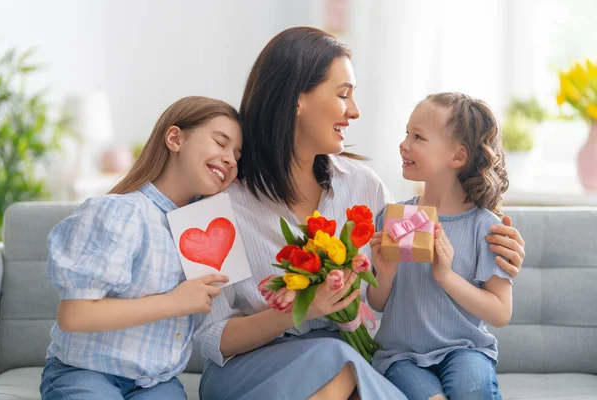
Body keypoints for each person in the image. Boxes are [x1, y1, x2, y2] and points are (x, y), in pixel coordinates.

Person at [196, 28, 525, 400]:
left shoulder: (363, 187)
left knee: (353, 365)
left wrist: (495, 233)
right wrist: (300, 309)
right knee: (341, 359)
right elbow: (212, 340)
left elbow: (408, 259)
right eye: (343, 95)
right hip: (249, 371)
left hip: (344, 366)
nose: (355, 111)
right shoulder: (214, 206)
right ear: (297, 100)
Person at [39, 96, 242, 400]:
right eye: (220, 142)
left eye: (238, 155)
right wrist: (176, 302)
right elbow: (75, 315)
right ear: (175, 138)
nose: (231, 159)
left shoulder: (212, 228)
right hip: (86, 372)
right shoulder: (123, 213)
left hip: (157, 383)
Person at [369, 92, 513, 400]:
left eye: (418, 137)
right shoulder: (392, 217)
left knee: (472, 390)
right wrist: (385, 272)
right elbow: (378, 302)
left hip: (465, 351)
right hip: (399, 356)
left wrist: (445, 276)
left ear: (458, 157)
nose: (404, 144)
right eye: (406, 133)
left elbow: (500, 313)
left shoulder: (486, 227)